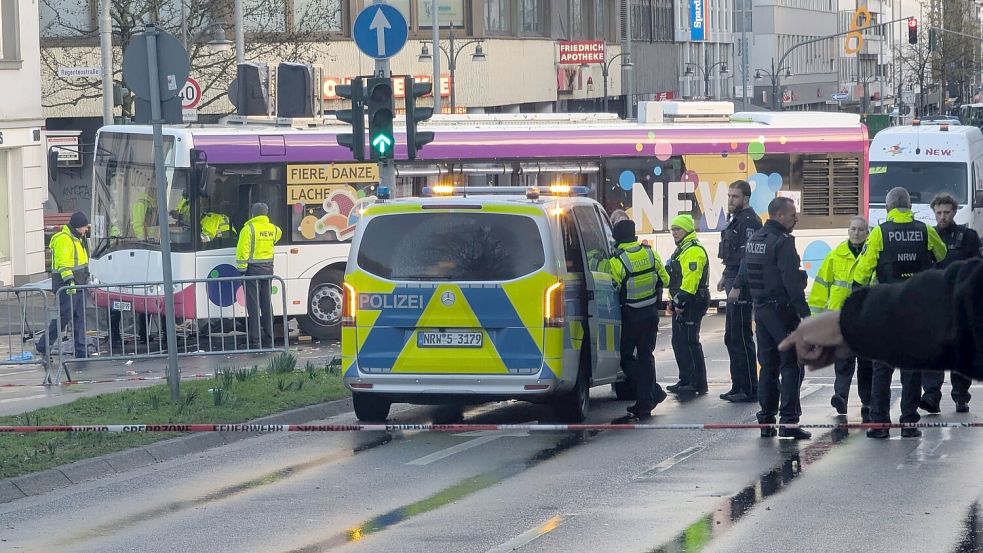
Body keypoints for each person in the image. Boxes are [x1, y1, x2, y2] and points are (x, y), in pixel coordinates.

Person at [778, 258, 983, 381]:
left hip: (862, 321)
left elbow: (968, 304)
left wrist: (851, 323)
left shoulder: (877, 237)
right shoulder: (843, 253)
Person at [851, 187, 947, 438]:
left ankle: (880, 424)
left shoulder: (880, 233)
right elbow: (942, 253)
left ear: (888, 208)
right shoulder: (925, 230)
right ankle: (909, 423)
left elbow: (862, 272)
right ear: (910, 207)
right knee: (912, 369)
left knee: (882, 369)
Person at [731, 197, 811, 439]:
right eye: (792, 215)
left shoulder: (755, 239)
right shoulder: (782, 242)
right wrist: (805, 314)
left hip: (761, 311)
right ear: (779, 215)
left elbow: (745, 268)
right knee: (791, 365)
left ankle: (766, 420)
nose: (796, 219)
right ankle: (788, 422)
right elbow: (791, 282)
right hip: (782, 311)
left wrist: (736, 286)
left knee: (768, 366)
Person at [920, 192, 981, 414]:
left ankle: (961, 395)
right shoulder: (927, 236)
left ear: (954, 212)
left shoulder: (968, 236)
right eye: (939, 212)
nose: (943, 216)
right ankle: (931, 395)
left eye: (947, 212)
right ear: (933, 213)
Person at [807, 216, 872, 420]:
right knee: (843, 361)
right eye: (853, 229)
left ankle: (868, 401)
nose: (856, 233)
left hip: (865, 320)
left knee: (866, 364)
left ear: (867, 232)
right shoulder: (835, 256)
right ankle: (840, 397)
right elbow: (820, 287)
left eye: (860, 229)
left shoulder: (872, 255)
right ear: (848, 231)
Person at [609, 219, 671, 418]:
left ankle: (651, 393)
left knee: (626, 358)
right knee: (646, 356)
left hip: (631, 315)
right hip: (651, 314)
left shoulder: (617, 261)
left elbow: (612, 290)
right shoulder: (650, 253)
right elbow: (666, 280)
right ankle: (646, 401)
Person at [717, 180, 762, 403]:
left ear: (745, 198)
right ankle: (738, 385)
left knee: (741, 337)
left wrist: (736, 285)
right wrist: (725, 276)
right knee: (731, 337)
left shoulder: (750, 221)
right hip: (733, 276)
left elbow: (747, 257)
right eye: (729, 196)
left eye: (735, 196)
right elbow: (732, 254)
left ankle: (749, 388)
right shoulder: (736, 219)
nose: (730, 200)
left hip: (742, 284)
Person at [665, 214, 711, 396]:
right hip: (684, 301)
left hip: (692, 301)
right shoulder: (682, 249)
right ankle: (685, 379)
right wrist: (673, 300)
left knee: (689, 341)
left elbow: (691, 281)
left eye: (678, 229)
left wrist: (680, 301)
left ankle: (696, 383)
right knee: (679, 341)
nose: (674, 233)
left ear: (687, 230)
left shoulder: (693, 250)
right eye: (673, 229)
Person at [37, 212, 90, 359]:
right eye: (85, 226)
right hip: (67, 286)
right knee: (63, 318)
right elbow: (63, 264)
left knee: (79, 318)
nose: (86, 229)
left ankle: (81, 351)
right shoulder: (64, 239)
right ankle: (43, 346)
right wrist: (70, 281)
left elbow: (80, 263)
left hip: (78, 284)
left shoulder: (77, 238)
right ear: (78, 226)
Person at [237, 202, 282, 349]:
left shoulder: (248, 229)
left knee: (254, 306)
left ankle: (255, 340)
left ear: (253, 214)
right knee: (267, 304)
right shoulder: (274, 229)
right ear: (266, 213)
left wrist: (242, 269)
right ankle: (270, 338)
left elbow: (243, 250)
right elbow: (277, 237)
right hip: (268, 271)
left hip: (252, 272)